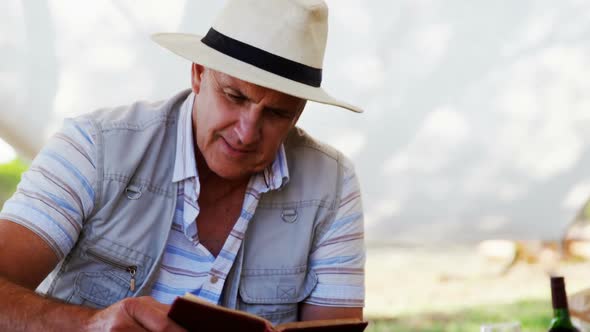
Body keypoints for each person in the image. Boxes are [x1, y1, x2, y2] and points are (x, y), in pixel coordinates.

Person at [0, 0, 366, 331]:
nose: (246, 133)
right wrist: (89, 326)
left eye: (276, 113)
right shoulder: (94, 147)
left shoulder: (331, 185)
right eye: (234, 96)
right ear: (198, 73)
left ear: (299, 111)